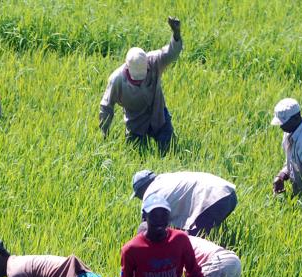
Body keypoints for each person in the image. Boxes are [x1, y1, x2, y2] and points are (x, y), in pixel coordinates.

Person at [99, 17, 183, 155]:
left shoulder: (153, 61)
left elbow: (170, 54)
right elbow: (106, 107)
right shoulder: (117, 80)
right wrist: (104, 133)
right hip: (135, 122)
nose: (139, 81)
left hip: (158, 115)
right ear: (127, 67)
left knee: (170, 150)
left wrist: (176, 34)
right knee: (135, 154)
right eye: (136, 79)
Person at [131, 169, 237, 237]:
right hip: (229, 194)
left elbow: (146, 230)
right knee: (192, 234)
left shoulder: (150, 195)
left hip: (212, 199)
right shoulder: (166, 178)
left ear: (141, 190)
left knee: (192, 241)